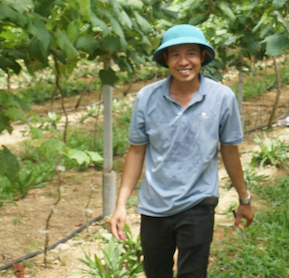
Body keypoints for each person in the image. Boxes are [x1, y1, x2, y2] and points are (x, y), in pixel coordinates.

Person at [109, 24, 254, 278]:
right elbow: (136, 152)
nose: (184, 61)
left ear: (202, 58)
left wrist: (244, 199)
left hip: (198, 202)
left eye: (191, 54)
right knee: (156, 273)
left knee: (193, 274)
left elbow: (230, 151)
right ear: (165, 59)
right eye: (175, 54)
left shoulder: (222, 97)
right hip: (154, 206)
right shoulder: (147, 98)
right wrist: (121, 204)